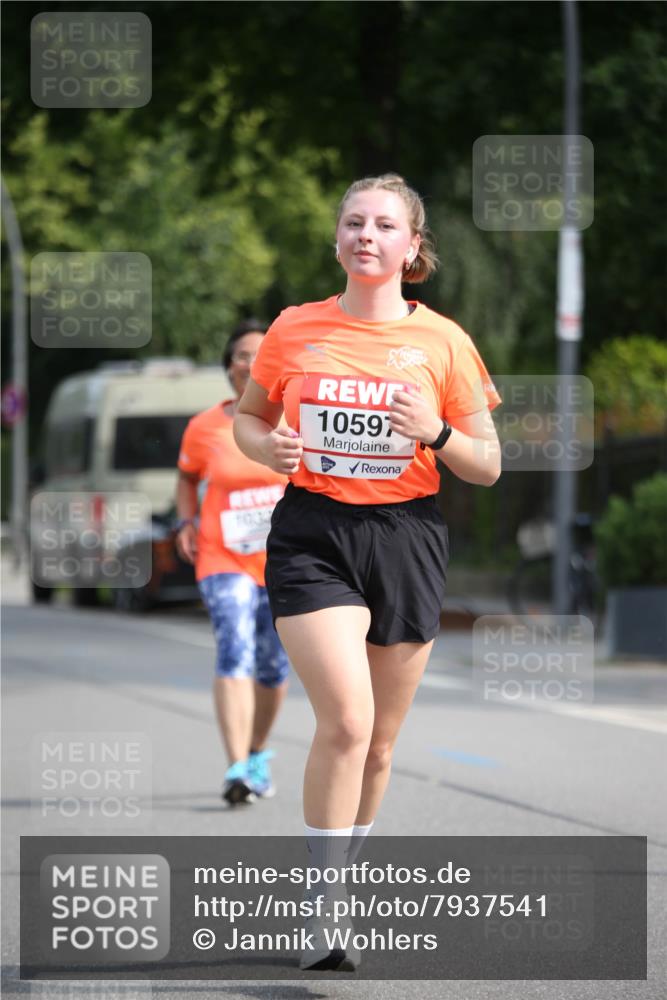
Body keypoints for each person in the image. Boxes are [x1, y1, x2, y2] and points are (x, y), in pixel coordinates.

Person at [234, 174, 502, 969]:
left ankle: (341, 885)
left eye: (385, 225)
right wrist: (266, 448)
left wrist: (435, 433)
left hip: (404, 535)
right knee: (345, 722)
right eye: (353, 222)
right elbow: (251, 418)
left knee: (379, 745)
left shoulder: (444, 342)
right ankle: (321, 912)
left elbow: (486, 464)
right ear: (338, 239)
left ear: (411, 246)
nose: (366, 235)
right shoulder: (295, 327)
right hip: (314, 530)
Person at [175, 320, 290, 806]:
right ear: (229, 368)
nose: (249, 363)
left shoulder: (295, 418)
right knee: (234, 646)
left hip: (286, 561)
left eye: (260, 354)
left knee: (274, 665)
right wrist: (184, 522)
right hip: (222, 557)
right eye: (241, 355)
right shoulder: (205, 427)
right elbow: (186, 480)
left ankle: (257, 751)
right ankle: (236, 766)